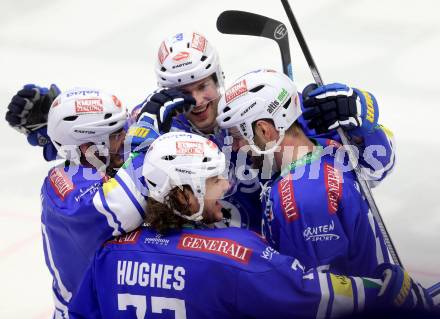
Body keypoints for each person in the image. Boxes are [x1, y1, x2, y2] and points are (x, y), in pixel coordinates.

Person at [68, 132, 433, 319]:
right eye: (213, 180)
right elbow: (316, 297)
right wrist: (386, 289)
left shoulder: (109, 254)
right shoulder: (232, 255)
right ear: (183, 196)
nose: (226, 187)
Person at [217, 69, 391, 276]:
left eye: (238, 136)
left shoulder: (299, 198)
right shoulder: (328, 146)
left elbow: (319, 295)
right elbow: (376, 167)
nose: (235, 147)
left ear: (265, 130)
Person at [40, 87, 158, 318]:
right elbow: (123, 205)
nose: (125, 137)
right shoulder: (63, 186)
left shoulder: (92, 167)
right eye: (115, 135)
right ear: (86, 149)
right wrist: (145, 151)